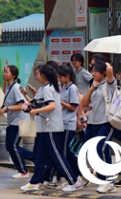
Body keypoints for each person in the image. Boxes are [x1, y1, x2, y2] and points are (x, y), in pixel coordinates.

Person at [19, 65, 83, 193]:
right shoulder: (44, 88)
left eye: (37, 74)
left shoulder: (49, 88)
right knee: (39, 156)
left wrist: (35, 110)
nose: (36, 77)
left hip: (51, 128)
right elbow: (38, 102)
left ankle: (74, 180)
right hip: (44, 128)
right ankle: (35, 181)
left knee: (57, 156)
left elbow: (52, 106)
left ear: (44, 75)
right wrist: (28, 104)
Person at [79, 60, 117, 193]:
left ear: (103, 72)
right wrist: (91, 88)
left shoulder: (109, 84)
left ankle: (108, 181)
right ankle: (104, 180)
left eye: (95, 71)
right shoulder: (94, 86)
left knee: (101, 147)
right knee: (92, 150)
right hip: (93, 123)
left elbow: (110, 70)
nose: (92, 73)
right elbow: (83, 103)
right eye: (92, 71)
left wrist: (103, 62)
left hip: (106, 122)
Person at [0, 64, 29, 179]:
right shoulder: (9, 87)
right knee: (10, 146)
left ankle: (23, 171)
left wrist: (7, 108)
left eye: (7, 72)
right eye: (5, 72)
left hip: (20, 121)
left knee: (12, 145)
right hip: (13, 121)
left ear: (13, 75)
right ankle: (36, 157)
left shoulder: (15, 87)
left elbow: (21, 105)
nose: (5, 74)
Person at [56, 64, 81, 183]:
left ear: (67, 76)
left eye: (61, 77)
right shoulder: (63, 87)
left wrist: (60, 102)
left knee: (66, 153)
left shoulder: (72, 88)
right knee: (65, 152)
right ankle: (76, 173)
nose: (59, 80)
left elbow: (73, 106)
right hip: (61, 123)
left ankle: (74, 175)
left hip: (68, 124)